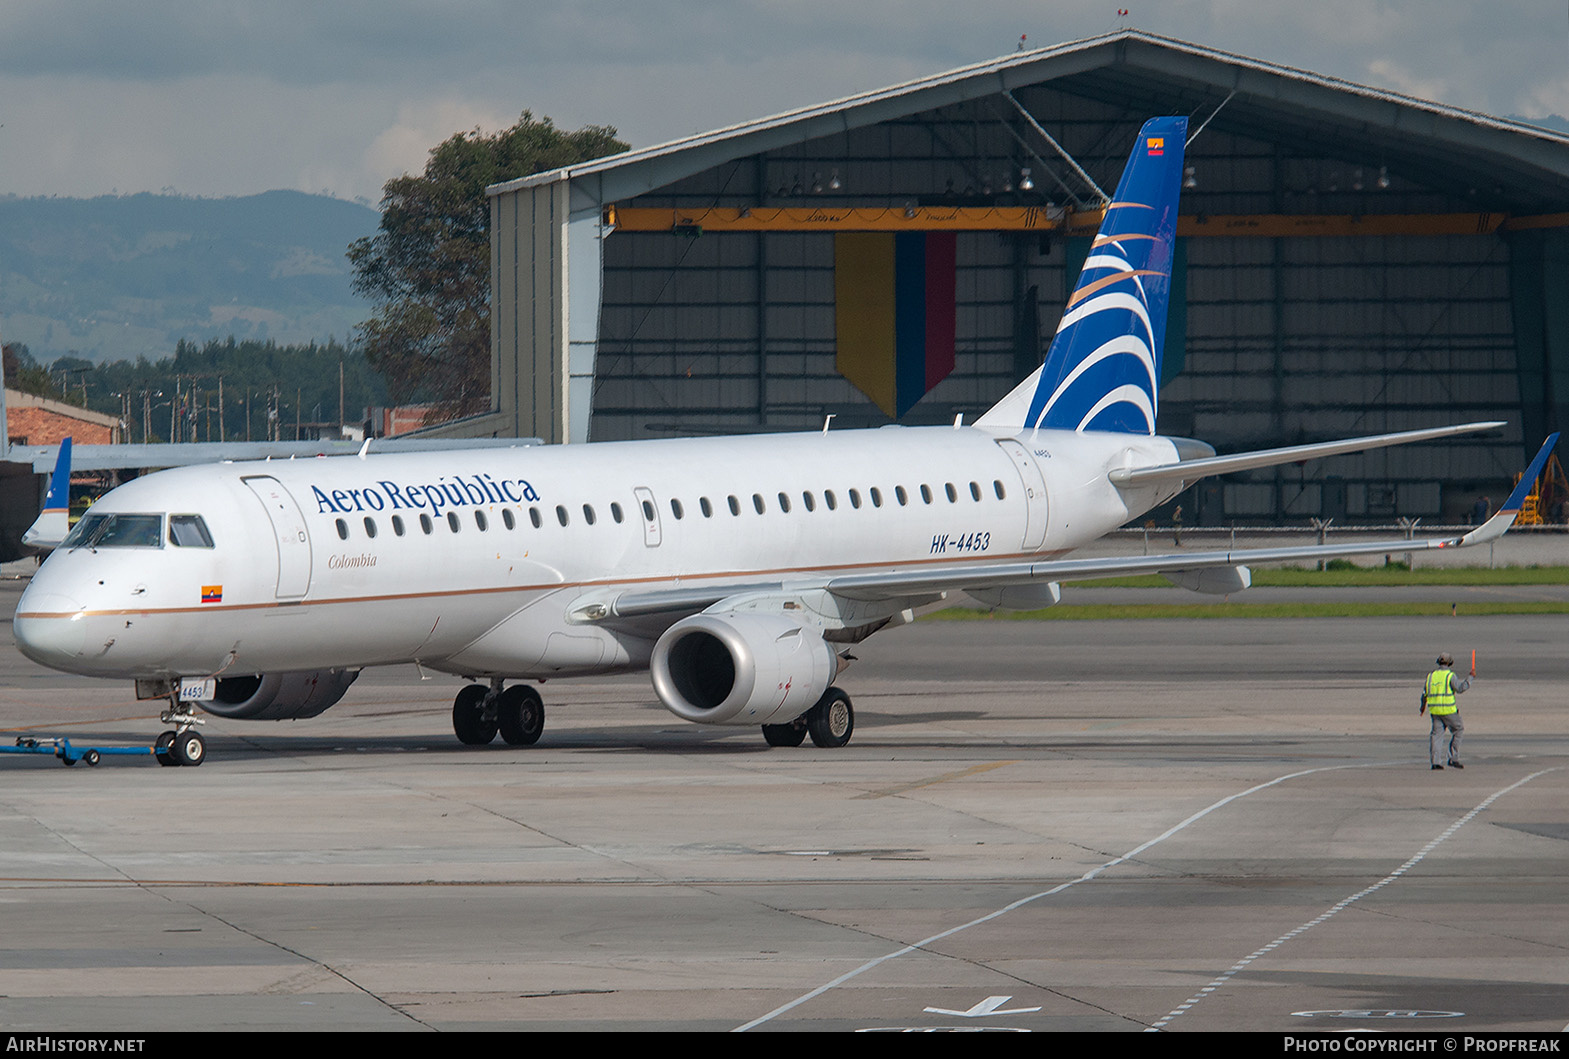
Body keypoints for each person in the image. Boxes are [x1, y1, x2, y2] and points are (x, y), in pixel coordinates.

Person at [1421, 652, 1470, 769]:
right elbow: (1460, 688)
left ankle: (1435, 762)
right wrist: (1470, 678)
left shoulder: (1431, 676)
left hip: (1435, 711)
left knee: (1436, 736)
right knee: (1458, 730)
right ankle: (1453, 758)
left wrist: (1422, 707)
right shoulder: (1450, 676)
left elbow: (1424, 694)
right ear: (1450, 663)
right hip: (1449, 711)